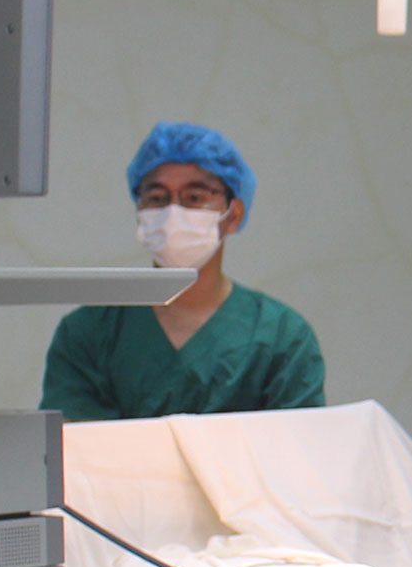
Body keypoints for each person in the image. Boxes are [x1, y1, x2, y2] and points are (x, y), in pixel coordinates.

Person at [42, 122, 327, 421]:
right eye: (157, 198)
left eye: (194, 198)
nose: (172, 213)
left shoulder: (282, 337)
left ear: (233, 215)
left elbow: (296, 444)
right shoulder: (89, 334)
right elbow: (75, 442)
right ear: (140, 212)